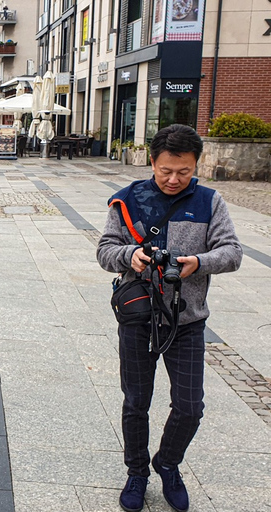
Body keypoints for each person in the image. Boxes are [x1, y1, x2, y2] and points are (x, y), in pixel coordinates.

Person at [97, 124, 242, 512]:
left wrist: (200, 262)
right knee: (136, 402)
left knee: (190, 406)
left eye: (185, 171)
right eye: (166, 171)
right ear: (153, 163)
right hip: (139, 318)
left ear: (197, 165)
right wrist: (131, 256)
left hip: (188, 321)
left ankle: (168, 462)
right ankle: (137, 472)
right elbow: (105, 251)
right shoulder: (127, 200)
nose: (175, 179)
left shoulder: (211, 202)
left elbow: (232, 252)